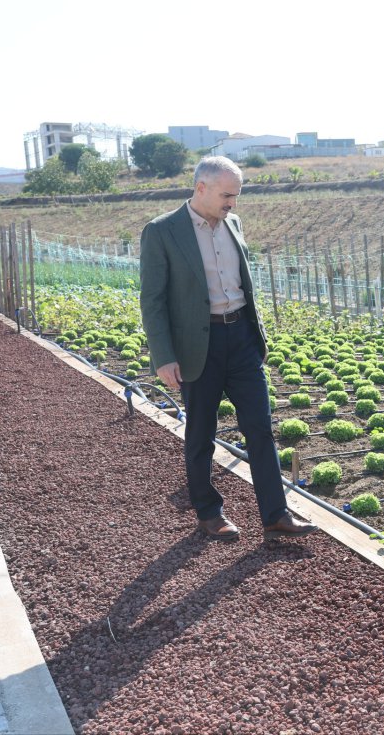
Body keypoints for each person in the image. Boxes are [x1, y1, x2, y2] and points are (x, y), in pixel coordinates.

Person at [139, 155, 315, 542]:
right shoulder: (162, 231)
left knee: (260, 428)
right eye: (226, 195)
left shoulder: (233, 223)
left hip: (242, 341)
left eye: (236, 196)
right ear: (201, 187)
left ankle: (275, 513)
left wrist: (256, 337)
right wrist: (163, 356)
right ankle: (209, 512)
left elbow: (243, 284)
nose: (232, 203)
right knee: (201, 431)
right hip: (196, 346)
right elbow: (152, 299)